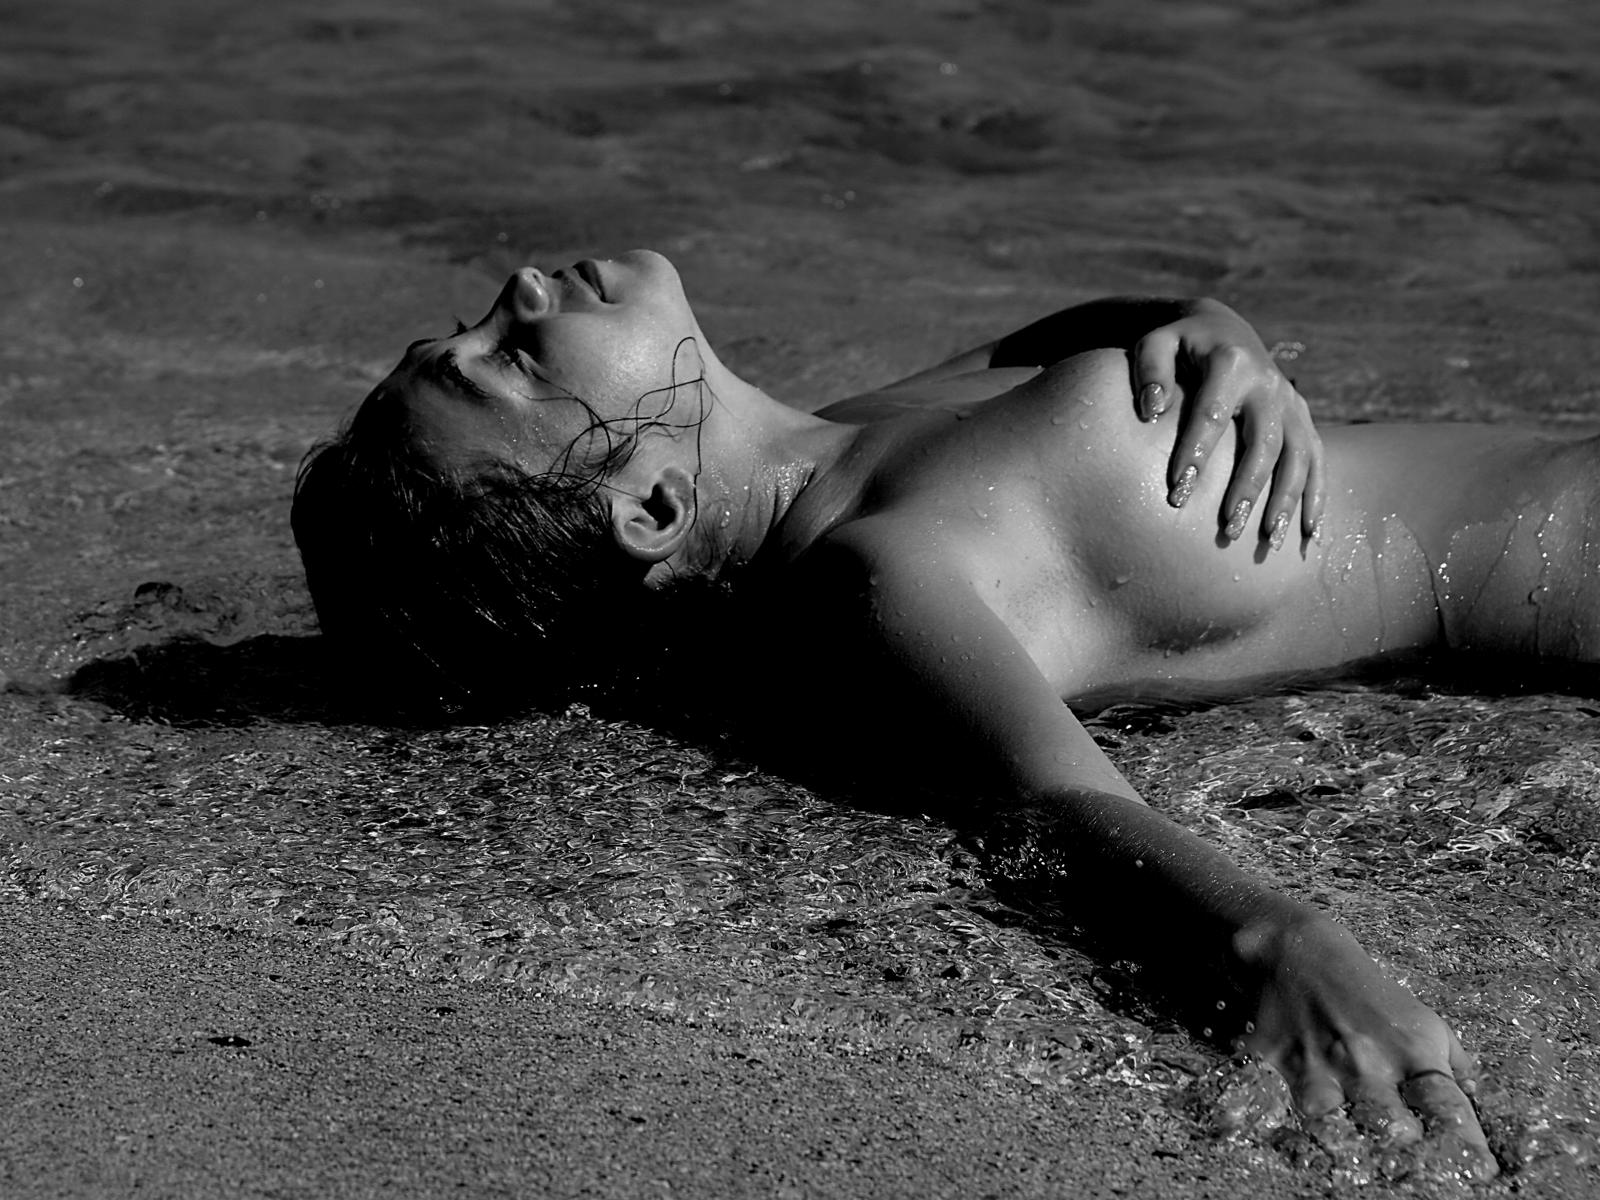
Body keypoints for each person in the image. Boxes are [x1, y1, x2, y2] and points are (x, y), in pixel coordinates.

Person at [294, 250, 1596, 1180]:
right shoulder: (882, 571)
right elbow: (1055, 804)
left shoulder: (847, 435)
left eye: (471, 324)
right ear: (649, 507)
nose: (522, 288)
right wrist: (1286, 946)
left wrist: (1210, 328)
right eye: (514, 360)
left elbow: (1059, 338)